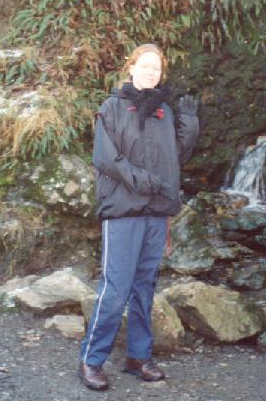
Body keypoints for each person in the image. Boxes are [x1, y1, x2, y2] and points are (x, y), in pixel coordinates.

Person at [78, 43, 200, 391]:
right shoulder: (112, 108)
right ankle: (91, 360)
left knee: (144, 287)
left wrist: (190, 124)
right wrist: (141, 180)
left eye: (156, 68)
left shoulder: (164, 111)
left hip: (156, 211)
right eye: (145, 66)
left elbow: (175, 157)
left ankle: (138, 357)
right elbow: (105, 158)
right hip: (123, 210)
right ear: (131, 68)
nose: (151, 72)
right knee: (115, 289)